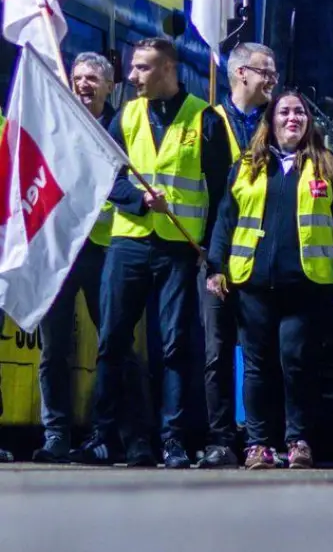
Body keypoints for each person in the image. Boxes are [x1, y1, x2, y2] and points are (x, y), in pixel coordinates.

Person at [72, 38, 232, 468]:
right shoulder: (127, 115)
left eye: (142, 68)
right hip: (128, 243)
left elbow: (222, 196)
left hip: (179, 248)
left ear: (168, 70)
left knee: (177, 344)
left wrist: (214, 256)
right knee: (113, 341)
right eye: (134, 67)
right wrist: (139, 200)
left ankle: (174, 438)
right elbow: (106, 176)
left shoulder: (205, 119)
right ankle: (107, 436)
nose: (132, 76)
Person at [207, 90, 333, 469]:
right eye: (284, 112)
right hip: (253, 283)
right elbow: (226, 220)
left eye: (300, 112)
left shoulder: (329, 166)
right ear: (271, 120)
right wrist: (215, 267)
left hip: (308, 285)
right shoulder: (246, 165)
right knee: (257, 366)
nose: (293, 118)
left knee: (297, 363)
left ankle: (299, 441)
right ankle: (258, 444)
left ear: (309, 121)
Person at [31, 53, 144, 464]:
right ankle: (56, 434)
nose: (83, 84)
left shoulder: (123, 129)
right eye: (77, 77)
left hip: (105, 247)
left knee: (116, 346)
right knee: (54, 347)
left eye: (92, 78)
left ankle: (130, 437)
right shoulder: (53, 125)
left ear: (110, 86)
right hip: (59, 250)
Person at [196, 41, 277, 469]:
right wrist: (210, 258)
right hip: (215, 257)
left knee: (262, 353)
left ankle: (262, 439)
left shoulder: (279, 120)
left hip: (264, 259)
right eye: (266, 71)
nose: (272, 80)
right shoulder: (209, 121)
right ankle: (220, 438)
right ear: (241, 73)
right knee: (217, 351)